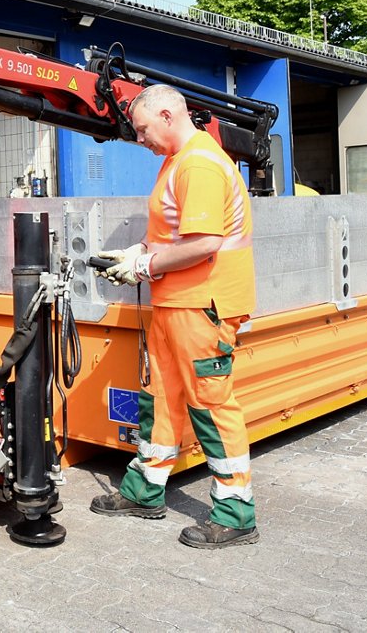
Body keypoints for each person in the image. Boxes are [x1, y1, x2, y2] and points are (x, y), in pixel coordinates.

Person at [89, 84, 259, 549]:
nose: (140, 139)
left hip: (203, 306)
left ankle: (236, 515)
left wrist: (143, 266)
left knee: (211, 405)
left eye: (143, 130)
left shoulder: (199, 164)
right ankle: (145, 491)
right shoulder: (177, 161)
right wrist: (136, 251)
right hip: (176, 304)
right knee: (158, 398)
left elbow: (204, 243)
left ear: (167, 115)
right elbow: (172, 235)